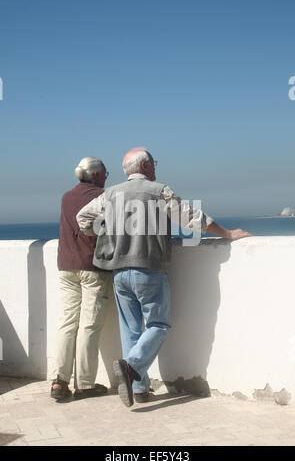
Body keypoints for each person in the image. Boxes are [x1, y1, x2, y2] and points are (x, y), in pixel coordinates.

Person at [76, 148, 251, 407]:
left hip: (119, 272)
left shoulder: (110, 193)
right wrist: (227, 234)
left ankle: (139, 388)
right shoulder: (159, 191)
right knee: (159, 324)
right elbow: (192, 219)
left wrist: (105, 229)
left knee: (130, 329)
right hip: (148, 268)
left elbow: (82, 219)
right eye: (153, 163)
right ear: (146, 166)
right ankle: (131, 366)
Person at [51, 156, 111, 401]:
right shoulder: (104, 196)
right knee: (88, 325)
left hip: (66, 265)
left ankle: (59, 381)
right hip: (92, 266)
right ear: (95, 175)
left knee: (67, 323)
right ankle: (84, 384)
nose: (107, 175)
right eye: (105, 172)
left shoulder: (66, 197)